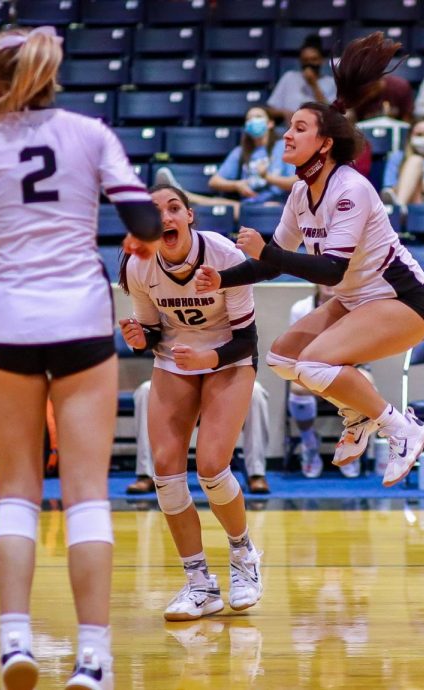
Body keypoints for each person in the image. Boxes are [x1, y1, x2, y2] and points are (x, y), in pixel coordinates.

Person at [0, 26, 163, 690]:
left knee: (16, 494)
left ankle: (15, 641)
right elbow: (146, 225)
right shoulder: (91, 133)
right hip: (81, 321)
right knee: (85, 496)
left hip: (9, 324)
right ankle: (92, 659)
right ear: (53, 75)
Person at [194, 32, 424, 488]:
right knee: (283, 358)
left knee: (313, 365)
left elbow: (330, 270)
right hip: (356, 299)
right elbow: (270, 265)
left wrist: (265, 250)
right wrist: (222, 279)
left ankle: (401, 428)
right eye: (288, 127)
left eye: (299, 129)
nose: (286, 135)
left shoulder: (350, 189)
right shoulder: (301, 193)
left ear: (324, 144)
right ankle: (358, 413)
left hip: (404, 299)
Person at [119, 183, 264, 622]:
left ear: (188, 217)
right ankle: (199, 583)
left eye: (174, 207)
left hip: (229, 357)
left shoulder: (224, 256)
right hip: (175, 360)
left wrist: (209, 357)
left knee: (212, 466)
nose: (165, 216)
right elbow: (153, 332)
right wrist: (140, 338)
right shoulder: (137, 266)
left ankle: (244, 556)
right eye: (155, 211)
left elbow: (247, 340)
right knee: (165, 471)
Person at [126, 379, 272, 495]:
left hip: (221, 386)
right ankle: (145, 474)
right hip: (181, 385)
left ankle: (256, 474)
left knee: (255, 391)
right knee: (146, 390)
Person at [288, 285, 366, 479]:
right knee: (297, 389)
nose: (331, 284)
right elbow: (294, 350)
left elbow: (363, 349)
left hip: (347, 368)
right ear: (317, 280)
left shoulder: (356, 306)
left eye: (336, 278)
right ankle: (310, 445)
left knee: (367, 385)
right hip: (310, 369)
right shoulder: (301, 309)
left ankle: (352, 443)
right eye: (326, 278)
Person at [208, 106, 296, 205]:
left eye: (258, 117)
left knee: (269, 206)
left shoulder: (283, 147)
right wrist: (236, 185)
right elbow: (214, 182)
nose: (254, 121)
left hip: (276, 204)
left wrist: (268, 177)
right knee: (217, 203)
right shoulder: (240, 151)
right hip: (247, 205)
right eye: (250, 119)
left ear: (270, 123)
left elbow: (295, 182)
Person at [266, 34, 337, 124]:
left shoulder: (331, 82)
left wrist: (314, 85)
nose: (309, 64)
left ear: (321, 60)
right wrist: (284, 112)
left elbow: (331, 115)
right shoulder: (289, 77)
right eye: (305, 60)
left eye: (313, 59)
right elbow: (270, 110)